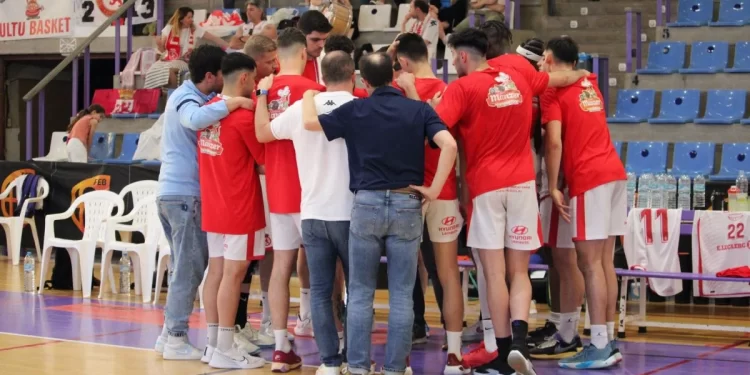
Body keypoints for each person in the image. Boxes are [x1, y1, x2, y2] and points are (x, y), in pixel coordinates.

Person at [302, 52, 458, 375]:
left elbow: (310, 123)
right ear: (394, 76)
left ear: (364, 81)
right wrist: (433, 188)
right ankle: (393, 370)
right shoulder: (418, 109)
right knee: (402, 295)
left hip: (367, 203)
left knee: (360, 292)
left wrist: (308, 96)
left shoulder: (355, 108)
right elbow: (450, 146)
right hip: (407, 203)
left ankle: (358, 367)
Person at [256, 50, 356, 375]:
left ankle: (322, 360)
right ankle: (353, 356)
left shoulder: (303, 107)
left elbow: (262, 134)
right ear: (353, 75)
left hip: (310, 209)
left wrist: (260, 95)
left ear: (323, 77)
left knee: (317, 289)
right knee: (358, 288)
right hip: (351, 212)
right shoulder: (361, 108)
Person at [152, 45, 254, 360]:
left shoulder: (186, 94)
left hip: (173, 193)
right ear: (210, 76)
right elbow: (194, 119)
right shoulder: (186, 98)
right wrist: (234, 101)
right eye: (221, 75)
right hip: (185, 196)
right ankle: (177, 338)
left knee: (187, 266)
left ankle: (168, 334)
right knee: (189, 269)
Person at [540, 36, 626, 370]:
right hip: (615, 172)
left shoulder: (552, 93)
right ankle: (609, 341)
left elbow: (555, 142)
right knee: (605, 262)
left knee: (588, 263)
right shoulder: (591, 83)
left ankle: (600, 345)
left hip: (589, 178)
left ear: (548, 58)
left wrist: (554, 183)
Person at [391, 33, 465, 373]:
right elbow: (453, 144)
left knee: (405, 277)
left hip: (408, 192)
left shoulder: (393, 90)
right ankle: (454, 355)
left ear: (402, 61)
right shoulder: (449, 91)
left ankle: (403, 358)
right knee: (448, 275)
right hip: (444, 190)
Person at [258, 27, 326, 372]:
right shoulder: (313, 91)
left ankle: (281, 347)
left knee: (281, 269)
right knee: (325, 268)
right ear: (303, 54)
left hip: (277, 191)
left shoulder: (264, 92)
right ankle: (336, 344)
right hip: (312, 193)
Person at [198, 53, 267, 370]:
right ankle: (225, 345)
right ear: (244, 78)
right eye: (253, 79)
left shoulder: (206, 113)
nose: (254, 85)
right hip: (238, 207)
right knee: (232, 274)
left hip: (214, 206)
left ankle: (213, 345)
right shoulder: (241, 118)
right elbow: (263, 155)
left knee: (216, 272)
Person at [230, 34, 280, 348]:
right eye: (269, 61)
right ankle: (234, 323)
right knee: (242, 259)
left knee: (269, 252)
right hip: (251, 185)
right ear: (254, 63)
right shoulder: (244, 98)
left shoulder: (268, 90)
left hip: (267, 183)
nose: (275, 65)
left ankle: (269, 320)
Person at [145, 7, 229, 89]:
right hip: (167, 59)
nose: (191, 19)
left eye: (192, 17)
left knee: (169, 71)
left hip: (184, 60)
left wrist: (228, 45)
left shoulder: (194, 29)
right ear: (181, 19)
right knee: (152, 70)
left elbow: (213, 38)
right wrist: (159, 44)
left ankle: (174, 93)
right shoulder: (168, 29)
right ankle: (157, 94)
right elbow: (162, 50)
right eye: (189, 17)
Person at [299, 10, 332, 83]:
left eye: (324, 39)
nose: (322, 45)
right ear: (300, 36)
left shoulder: (328, 60)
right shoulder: (280, 66)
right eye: (315, 40)